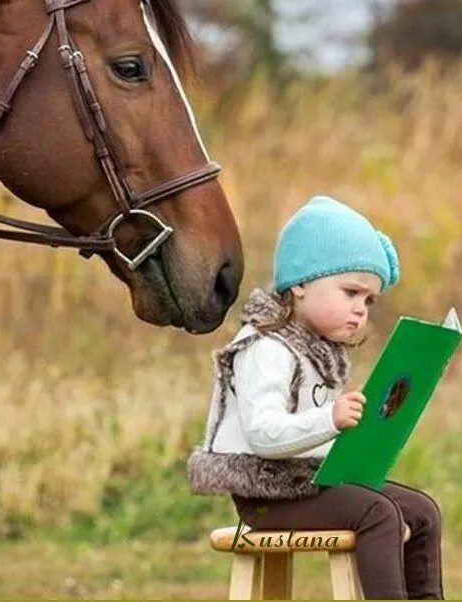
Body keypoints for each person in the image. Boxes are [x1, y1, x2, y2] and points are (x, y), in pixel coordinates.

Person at [188, 195, 444, 599]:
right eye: (351, 292)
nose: (361, 310)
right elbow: (263, 434)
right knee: (377, 514)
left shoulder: (319, 351)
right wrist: (330, 420)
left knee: (422, 511)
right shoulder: (266, 346)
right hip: (265, 496)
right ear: (302, 283)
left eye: (369, 300)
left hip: (311, 484)